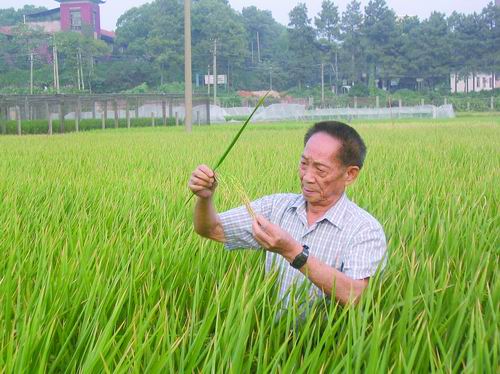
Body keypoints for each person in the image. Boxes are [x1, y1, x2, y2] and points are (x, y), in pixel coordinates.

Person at [188, 121, 387, 305]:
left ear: (350, 174)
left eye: (320, 170)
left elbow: (357, 296)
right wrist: (205, 198)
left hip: (331, 342)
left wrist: (292, 251)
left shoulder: (364, 229)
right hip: (273, 337)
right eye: (303, 164)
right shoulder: (276, 207)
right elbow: (211, 229)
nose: (307, 177)